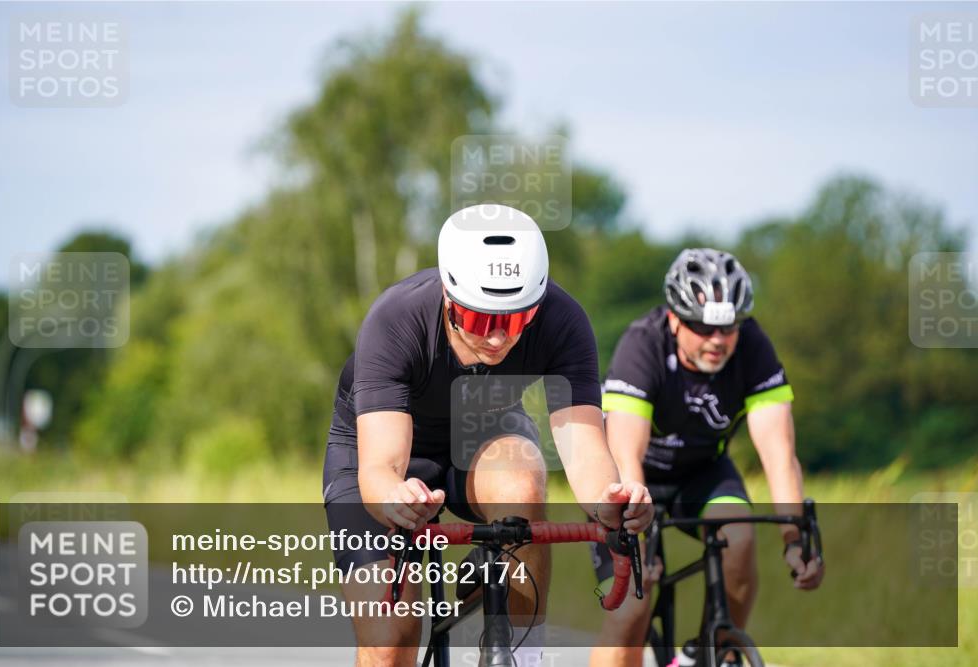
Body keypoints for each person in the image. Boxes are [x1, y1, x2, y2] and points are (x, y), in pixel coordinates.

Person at [322, 204, 653, 667]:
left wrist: (611, 500)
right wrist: (394, 498)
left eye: (516, 320)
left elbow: (584, 451)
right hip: (381, 456)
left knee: (522, 483)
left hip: (485, 437)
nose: (498, 338)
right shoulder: (396, 319)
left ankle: (521, 654)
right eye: (480, 321)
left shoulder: (563, 321)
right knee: (390, 636)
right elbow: (382, 469)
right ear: (448, 297)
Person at [589, 248, 825, 667]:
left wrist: (795, 537)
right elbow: (626, 451)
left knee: (740, 538)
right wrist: (636, 539)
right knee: (632, 606)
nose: (718, 340)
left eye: (729, 327)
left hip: (701, 473)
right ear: (675, 319)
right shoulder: (642, 344)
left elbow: (779, 453)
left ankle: (711, 653)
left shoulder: (753, 347)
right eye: (703, 327)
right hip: (631, 478)